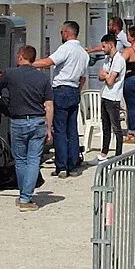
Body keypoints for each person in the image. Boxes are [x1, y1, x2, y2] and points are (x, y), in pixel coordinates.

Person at [0, 46, 52, 209]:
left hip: (17, 122)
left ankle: (24, 194)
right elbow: (49, 106)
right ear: (33, 59)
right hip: (37, 121)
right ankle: (25, 198)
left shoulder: (10, 74)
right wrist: (49, 128)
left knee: (20, 160)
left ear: (21, 57)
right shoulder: (43, 79)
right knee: (34, 160)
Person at [45, 21, 89, 176]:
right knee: (72, 130)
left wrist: (30, 64)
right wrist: (77, 90)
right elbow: (83, 77)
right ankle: (73, 165)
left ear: (66, 33)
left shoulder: (65, 49)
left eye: (62, 32)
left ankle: (62, 166)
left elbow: (49, 62)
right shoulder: (83, 53)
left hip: (61, 89)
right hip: (74, 90)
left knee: (60, 130)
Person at [94, 35, 125, 155]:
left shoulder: (119, 60)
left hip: (114, 97)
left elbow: (111, 81)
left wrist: (108, 76)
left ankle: (119, 154)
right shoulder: (107, 59)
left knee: (116, 127)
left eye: (104, 46)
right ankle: (103, 153)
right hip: (105, 95)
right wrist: (108, 76)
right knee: (105, 127)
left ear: (111, 45)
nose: (102, 49)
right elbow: (101, 76)